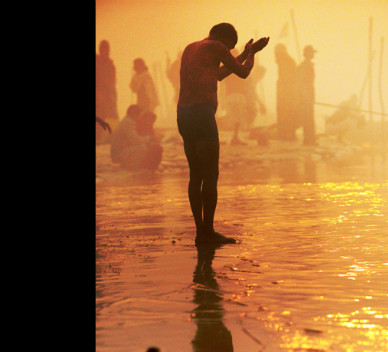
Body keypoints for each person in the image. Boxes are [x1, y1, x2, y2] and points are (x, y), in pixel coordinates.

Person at [177, 23, 269, 245]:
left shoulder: (191, 48)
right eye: (230, 48)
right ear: (225, 40)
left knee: (195, 174)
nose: (228, 52)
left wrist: (245, 52)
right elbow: (244, 73)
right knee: (211, 174)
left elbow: (218, 74)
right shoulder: (217, 46)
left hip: (183, 113)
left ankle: (201, 232)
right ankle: (207, 232)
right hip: (201, 113)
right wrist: (252, 54)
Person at [111, 105, 162, 171]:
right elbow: (136, 140)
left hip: (121, 152)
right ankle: (135, 165)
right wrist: (150, 138)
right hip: (120, 154)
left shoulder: (128, 122)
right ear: (135, 114)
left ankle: (137, 164)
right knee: (142, 147)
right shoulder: (128, 123)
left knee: (145, 147)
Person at [273, 44, 298, 141]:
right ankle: (287, 134)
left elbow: (287, 77)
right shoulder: (285, 61)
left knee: (287, 112)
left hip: (286, 92)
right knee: (286, 112)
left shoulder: (286, 61)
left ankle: (287, 134)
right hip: (285, 90)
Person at [96, 41, 118, 141]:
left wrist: (113, 95)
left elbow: (112, 81)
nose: (105, 51)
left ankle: (99, 137)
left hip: (107, 95)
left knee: (103, 116)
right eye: (103, 49)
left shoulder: (110, 64)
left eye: (107, 49)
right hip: (98, 94)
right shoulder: (97, 62)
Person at [297, 45, 317, 146]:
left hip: (308, 94)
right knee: (308, 118)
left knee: (309, 118)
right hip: (306, 96)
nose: (313, 54)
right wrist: (306, 96)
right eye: (312, 52)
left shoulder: (307, 65)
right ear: (308, 53)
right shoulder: (305, 66)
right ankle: (309, 140)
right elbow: (301, 82)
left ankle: (310, 140)